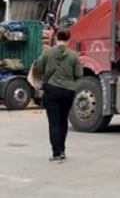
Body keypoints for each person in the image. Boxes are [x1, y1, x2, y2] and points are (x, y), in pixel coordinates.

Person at [35, 28, 83, 164]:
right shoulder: (74, 55)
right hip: (68, 91)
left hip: (52, 89)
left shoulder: (47, 52)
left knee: (54, 122)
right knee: (63, 121)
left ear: (56, 38)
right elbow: (79, 74)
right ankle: (62, 150)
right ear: (69, 40)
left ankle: (56, 154)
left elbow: (38, 68)